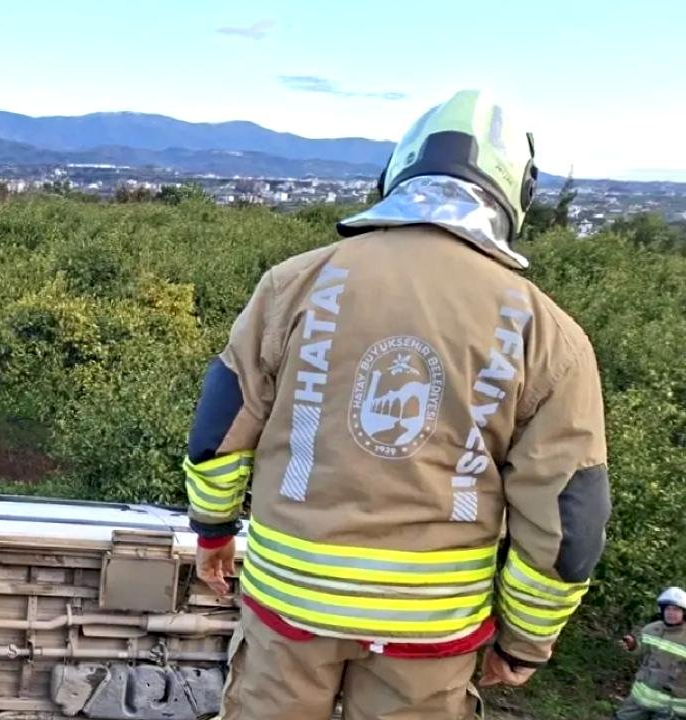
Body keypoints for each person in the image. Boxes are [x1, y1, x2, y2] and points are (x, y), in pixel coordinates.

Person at [183, 89, 611, 720]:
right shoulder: (547, 333)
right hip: (430, 633)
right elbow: (568, 515)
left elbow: (221, 428)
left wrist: (214, 530)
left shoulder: (295, 283)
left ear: (400, 168)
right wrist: (524, 642)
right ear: (515, 194)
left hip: (291, 605)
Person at [611, 587, 686, 719]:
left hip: (671, 708)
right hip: (640, 699)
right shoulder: (652, 629)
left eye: (676, 610)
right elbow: (640, 650)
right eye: (668, 609)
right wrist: (633, 645)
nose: (671, 613)